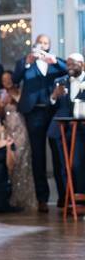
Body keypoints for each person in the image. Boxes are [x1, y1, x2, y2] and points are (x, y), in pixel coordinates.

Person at [13, 34, 67, 212]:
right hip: (33, 112)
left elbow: (70, 69)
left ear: (49, 46)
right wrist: (27, 63)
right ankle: (42, 199)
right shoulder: (25, 62)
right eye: (40, 42)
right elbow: (15, 79)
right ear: (34, 45)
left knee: (58, 153)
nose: (43, 46)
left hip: (53, 111)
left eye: (46, 43)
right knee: (38, 155)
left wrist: (54, 62)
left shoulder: (55, 62)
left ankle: (63, 196)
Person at [47, 53, 85, 211]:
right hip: (60, 130)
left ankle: (80, 199)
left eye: (73, 64)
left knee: (77, 165)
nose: (69, 67)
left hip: (81, 130)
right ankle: (66, 200)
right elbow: (51, 105)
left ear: (82, 65)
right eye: (68, 64)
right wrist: (54, 96)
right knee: (62, 166)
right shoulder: (59, 82)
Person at [0, 70, 35, 209]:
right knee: (10, 162)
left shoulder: (21, 92)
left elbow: (26, 109)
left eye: (8, 79)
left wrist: (14, 97)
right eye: (3, 79)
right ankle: (11, 198)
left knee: (22, 161)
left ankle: (24, 197)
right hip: (8, 130)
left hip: (21, 128)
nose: (6, 82)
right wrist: (0, 105)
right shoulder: (1, 93)